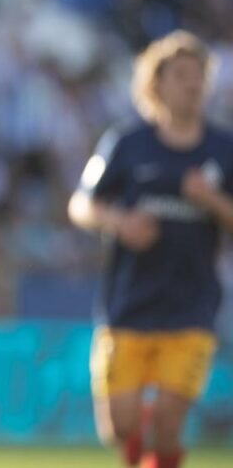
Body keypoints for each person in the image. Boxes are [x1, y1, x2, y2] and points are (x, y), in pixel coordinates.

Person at [68, 30, 233, 468]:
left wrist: (212, 201)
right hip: (128, 305)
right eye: (181, 75)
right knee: (119, 429)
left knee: (168, 424)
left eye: (199, 75)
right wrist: (119, 223)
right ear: (156, 84)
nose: (193, 84)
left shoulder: (225, 149)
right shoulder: (126, 143)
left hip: (192, 306)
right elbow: (81, 204)